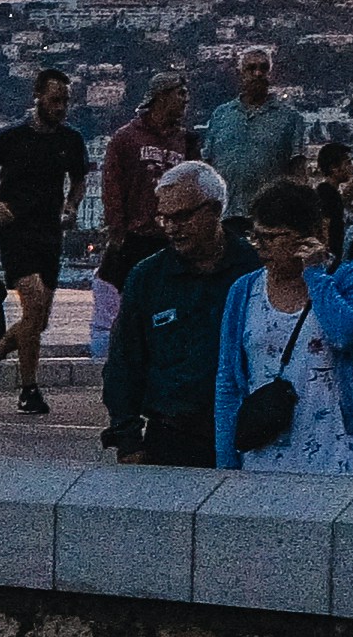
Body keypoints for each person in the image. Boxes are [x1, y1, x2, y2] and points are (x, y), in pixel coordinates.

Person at [213, 174, 353, 474]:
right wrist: (226, 459)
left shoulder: (348, 278)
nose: (260, 248)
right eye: (256, 236)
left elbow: (349, 335)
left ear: (309, 237)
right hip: (262, 456)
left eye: (272, 238)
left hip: (340, 456)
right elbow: (228, 379)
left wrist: (315, 274)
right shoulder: (244, 291)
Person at [95, 161, 245, 463]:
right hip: (172, 435)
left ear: (215, 210)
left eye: (182, 217)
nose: (172, 228)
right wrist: (127, 438)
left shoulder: (252, 269)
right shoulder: (147, 277)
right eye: (164, 218)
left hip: (247, 435)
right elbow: (124, 361)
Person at [0, 71, 88, 418]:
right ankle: (28, 390)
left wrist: (71, 205)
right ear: (38, 97)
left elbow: (81, 178)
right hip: (15, 232)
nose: (61, 108)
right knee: (34, 302)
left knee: (38, 321)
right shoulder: (12, 138)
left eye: (66, 101)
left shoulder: (71, 140)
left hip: (49, 233)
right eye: (55, 100)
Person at [100, 76, 198, 303]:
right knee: (133, 303)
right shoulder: (126, 138)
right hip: (136, 237)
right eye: (180, 93)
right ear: (162, 97)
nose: (186, 100)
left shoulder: (186, 141)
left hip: (173, 238)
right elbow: (112, 186)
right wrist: (117, 231)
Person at [200, 52, 316, 213]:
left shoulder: (290, 119)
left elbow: (298, 172)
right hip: (225, 216)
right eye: (251, 68)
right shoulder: (220, 115)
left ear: (271, 73)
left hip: (270, 217)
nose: (258, 73)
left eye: (264, 68)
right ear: (240, 74)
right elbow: (208, 166)